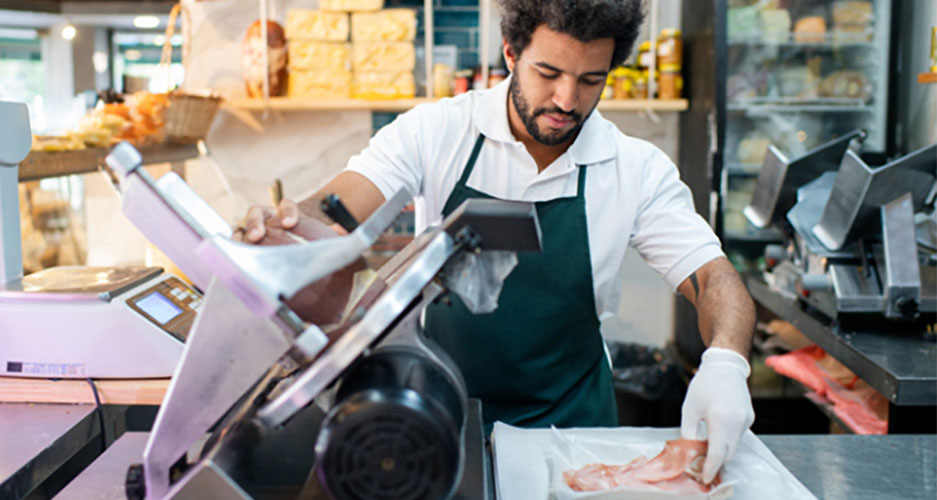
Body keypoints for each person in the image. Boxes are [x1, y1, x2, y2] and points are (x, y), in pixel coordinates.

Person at [241, 0, 755, 485]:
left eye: (590, 80)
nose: (566, 100)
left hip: (572, 436)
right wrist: (285, 224)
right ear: (511, 52)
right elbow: (337, 208)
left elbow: (715, 278)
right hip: (441, 421)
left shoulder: (635, 169)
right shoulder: (437, 130)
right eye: (548, 74)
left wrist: (727, 362)